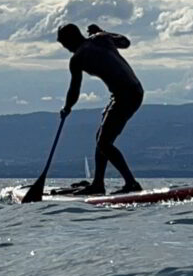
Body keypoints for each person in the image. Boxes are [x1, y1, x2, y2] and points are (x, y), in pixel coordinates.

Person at [57, 22, 143, 195]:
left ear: (70, 40)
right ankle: (98, 183)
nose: (66, 48)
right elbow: (125, 42)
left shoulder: (78, 58)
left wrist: (67, 107)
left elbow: (74, 89)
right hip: (131, 92)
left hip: (127, 94)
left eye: (64, 44)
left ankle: (131, 183)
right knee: (101, 139)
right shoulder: (101, 39)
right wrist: (104, 33)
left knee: (104, 142)